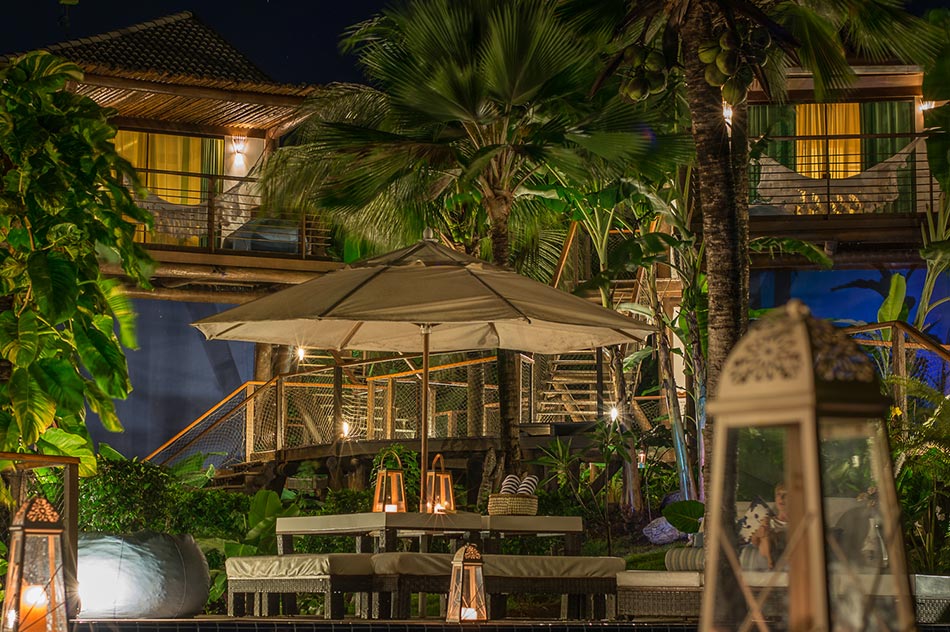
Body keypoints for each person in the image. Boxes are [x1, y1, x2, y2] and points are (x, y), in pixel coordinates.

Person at [748, 483, 788, 569]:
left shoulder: (798, 523)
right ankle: (770, 562)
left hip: (787, 559)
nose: (781, 498)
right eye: (778, 494)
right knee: (765, 531)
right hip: (765, 560)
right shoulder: (768, 520)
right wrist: (758, 534)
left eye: (786, 494)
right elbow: (754, 542)